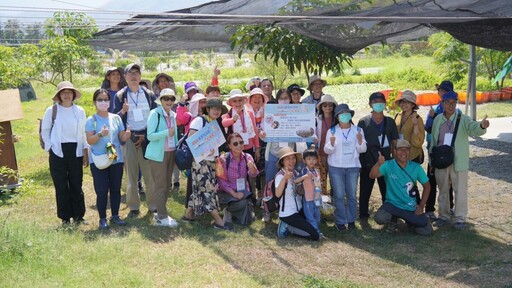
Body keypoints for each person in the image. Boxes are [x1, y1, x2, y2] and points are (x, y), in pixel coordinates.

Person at [429, 91, 489, 230]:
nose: (451, 105)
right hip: (442, 161)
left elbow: (474, 129)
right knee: (443, 190)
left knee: (460, 191)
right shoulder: (438, 119)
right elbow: (434, 141)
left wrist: (482, 126)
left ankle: (460, 218)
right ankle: (443, 216)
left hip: (459, 161)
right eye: (448, 102)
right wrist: (432, 161)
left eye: (453, 102)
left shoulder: (463, 118)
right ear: (442, 104)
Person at [112, 63, 157, 218]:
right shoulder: (119, 96)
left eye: (136, 73)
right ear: (125, 77)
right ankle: (133, 207)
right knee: (131, 176)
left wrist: (146, 135)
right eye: (130, 73)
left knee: (149, 175)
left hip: (147, 138)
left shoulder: (149, 94)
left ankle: (153, 205)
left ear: (140, 76)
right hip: (129, 139)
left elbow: (155, 117)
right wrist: (123, 111)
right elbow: (115, 119)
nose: (133, 76)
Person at [40, 81, 88, 225]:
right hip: (58, 150)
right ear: (59, 95)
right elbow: (45, 130)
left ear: (73, 95)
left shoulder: (80, 111)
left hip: (76, 150)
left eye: (69, 92)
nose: (67, 95)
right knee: (61, 184)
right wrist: (50, 146)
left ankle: (79, 216)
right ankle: (65, 218)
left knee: (76, 183)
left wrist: (85, 150)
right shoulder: (52, 110)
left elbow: (84, 132)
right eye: (63, 92)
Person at [182, 98, 232, 231]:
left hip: (211, 161)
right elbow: (190, 139)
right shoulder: (200, 120)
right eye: (213, 108)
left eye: (218, 108)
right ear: (208, 109)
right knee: (208, 189)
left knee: (200, 188)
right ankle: (219, 222)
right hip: (200, 162)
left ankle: (188, 214)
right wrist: (204, 149)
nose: (216, 111)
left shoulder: (215, 123)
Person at [85, 89, 130, 229]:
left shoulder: (116, 118)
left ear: (110, 102)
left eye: (106, 99)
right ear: (95, 102)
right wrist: (99, 134)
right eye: (100, 99)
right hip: (98, 159)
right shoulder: (91, 120)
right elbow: (90, 140)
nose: (103, 102)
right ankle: (102, 218)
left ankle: (115, 216)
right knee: (101, 190)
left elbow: (121, 137)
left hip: (115, 158)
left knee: (115, 188)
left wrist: (126, 135)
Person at [370, 139, 433, 235]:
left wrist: (421, 206)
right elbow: (372, 175)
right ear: (394, 151)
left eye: (406, 149)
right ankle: (393, 220)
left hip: (410, 206)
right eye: (400, 149)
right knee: (380, 217)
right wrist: (378, 164)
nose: (403, 152)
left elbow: (427, 186)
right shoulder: (388, 165)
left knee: (427, 231)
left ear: (409, 151)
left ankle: (409, 222)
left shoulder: (416, 167)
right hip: (392, 204)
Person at [357, 92, 399, 226]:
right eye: (375, 102)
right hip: (368, 160)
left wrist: (395, 160)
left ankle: (389, 215)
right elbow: (359, 142)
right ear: (370, 104)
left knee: (387, 190)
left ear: (385, 104)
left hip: (386, 162)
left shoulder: (390, 121)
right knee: (365, 189)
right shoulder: (364, 122)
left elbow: (395, 142)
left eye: (381, 101)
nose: (378, 104)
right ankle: (363, 215)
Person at [324, 103, 367, 231]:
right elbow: (327, 150)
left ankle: (352, 220)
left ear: (350, 115)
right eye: (341, 114)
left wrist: (360, 141)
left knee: (352, 195)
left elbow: (362, 149)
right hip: (336, 167)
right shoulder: (332, 131)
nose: (344, 116)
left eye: (346, 114)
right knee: (338, 195)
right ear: (337, 117)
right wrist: (331, 144)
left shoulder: (358, 130)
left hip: (353, 167)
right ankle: (340, 221)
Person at [145, 88, 179, 227]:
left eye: (171, 99)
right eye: (166, 98)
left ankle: (161, 213)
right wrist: (166, 132)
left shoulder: (173, 115)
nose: (169, 101)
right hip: (158, 155)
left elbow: (175, 135)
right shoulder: (155, 114)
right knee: (160, 185)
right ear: (161, 100)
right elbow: (150, 136)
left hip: (171, 152)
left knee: (167, 184)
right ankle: (161, 216)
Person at [424, 80, 455, 220]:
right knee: (431, 179)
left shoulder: (456, 111)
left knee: (448, 180)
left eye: (444, 91)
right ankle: (429, 208)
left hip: (448, 150)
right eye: (440, 91)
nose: (441, 93)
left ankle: (449, 207)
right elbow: (428, 128)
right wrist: (431, 117)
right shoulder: (435, 109)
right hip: (435, 150)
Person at [275, 147, 320, 241]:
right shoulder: (280, 176)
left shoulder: (295, 172)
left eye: (293, 158)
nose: (292, 161)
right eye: (288, 159)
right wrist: (285, 179)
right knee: (314, 235)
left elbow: (300, 191)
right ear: (282, 162)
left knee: (314, 217)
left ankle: (293, 226)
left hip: (299, 209)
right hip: (288, 214)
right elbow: (278, 194)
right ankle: (287, 226)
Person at [216, 133, 259, 226]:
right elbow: (221, 182)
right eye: (235, 144)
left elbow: (254, 174)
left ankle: (231, 212)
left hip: (242, 191)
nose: (239, 145)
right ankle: (228, 209)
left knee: (244, 204)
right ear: (229, 146)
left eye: (241, 142)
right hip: (226, 192)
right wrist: (234, 194)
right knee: (243, 204)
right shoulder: (223, 159)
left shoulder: (247, 157)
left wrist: (252, 168)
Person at [294, 147, 323, 237]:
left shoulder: (316, 170)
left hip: (317, 198)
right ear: (304, 160)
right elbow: (295, 180)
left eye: (314, 159)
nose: (312, 161)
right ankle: (315, 232)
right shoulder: (304, 170)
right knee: (310, 216)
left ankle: (314, 230)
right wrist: (305, 177)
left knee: (317, 216)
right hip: (308, 198)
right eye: (309, 159)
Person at [314, 94, 338, 195]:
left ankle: (334, 195)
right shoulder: (316, 119)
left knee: (334, 176)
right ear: (321, 107)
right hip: (321, 152)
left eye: (330, 105)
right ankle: (323, 197)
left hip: (335, 152)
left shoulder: (337, 119)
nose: (328, 107)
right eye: (325, 105)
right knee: (322, 176)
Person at [394, 90, 425, 164]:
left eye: (407, 102)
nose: (404, 104)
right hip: (398, 155)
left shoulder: (417, 119)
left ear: (412, 105)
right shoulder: (397, 116)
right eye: (402, 102)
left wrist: (415, 125)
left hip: (412, 156)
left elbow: (419, 142)